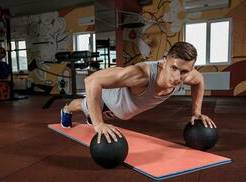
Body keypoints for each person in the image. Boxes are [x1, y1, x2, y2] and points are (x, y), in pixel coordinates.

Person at [60, 41, 217, 144]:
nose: (177, 77)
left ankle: (91, 114)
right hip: (108, 99)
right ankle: (66, 110)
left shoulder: (189, 74)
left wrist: (196, 112)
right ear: (164, 61)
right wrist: (98, 123)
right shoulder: (142, 74)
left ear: (191, 69)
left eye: (184, 71)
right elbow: (91, 81)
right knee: (83, 105)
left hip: (122, 110)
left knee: (93, 111)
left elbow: (199, 81)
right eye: (174, 68)